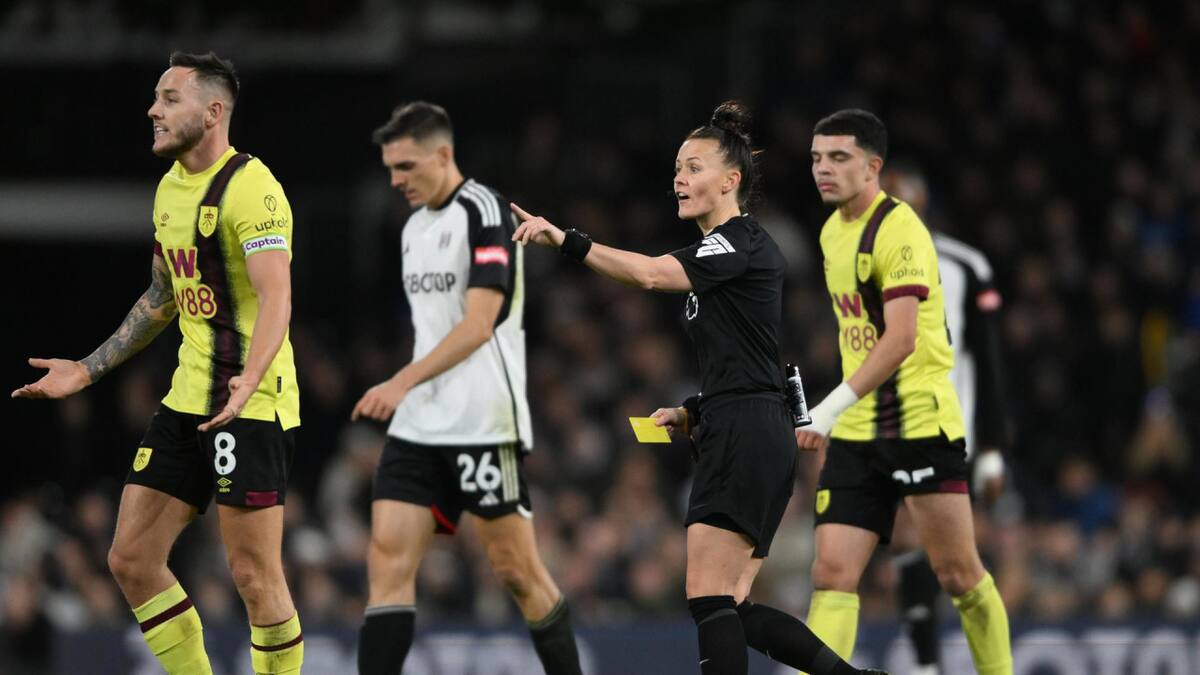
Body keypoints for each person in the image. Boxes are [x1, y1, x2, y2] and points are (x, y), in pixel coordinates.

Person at [512, 101, 885, 675]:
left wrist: (566, 241)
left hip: (747, 431)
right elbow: (748, 357)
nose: (679, 179)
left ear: (730, 180)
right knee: (732, 602)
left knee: (708, 598)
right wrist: (692, 412)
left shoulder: (740, 242)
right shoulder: (724, 258)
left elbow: (648, 274)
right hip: (749, 424)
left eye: (693, 167)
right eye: (677, 168)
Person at [12, 51, 304, 673]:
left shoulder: (253, 188)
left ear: (213, 111)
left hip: (249, 407)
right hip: (186, 401)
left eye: (170, 98)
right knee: (131, 559)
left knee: (253, 576)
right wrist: (89, 368)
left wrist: (248, 382)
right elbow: (162, 295)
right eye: (156, 97)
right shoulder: (171, 187)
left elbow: (277, 296)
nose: (153, 109)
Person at [351, 101, 582, 675]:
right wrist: (410, 390)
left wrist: (400, 382)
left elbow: (480, 324)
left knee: (517, 574)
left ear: (443, 154)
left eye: (405, 167)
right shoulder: (412, 228)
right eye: (389, 170)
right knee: (387, 560)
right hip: (419, 422)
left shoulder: (485, 211)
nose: (396, 181)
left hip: (482, 421)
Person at [796, 109, 1011, 675]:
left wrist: (826, 410)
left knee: (960, 576)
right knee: (833, 575)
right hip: (858, 433)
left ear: (873, 167)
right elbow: (856, 332)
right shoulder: (829, 232)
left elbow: (901, 340)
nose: (824, 169)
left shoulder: (901, 230)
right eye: (817, 157)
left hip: (919, 426)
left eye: (838, 158)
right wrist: (841, 414)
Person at [879, 163, 1011, 675]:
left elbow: (990, 361)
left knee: (958, 562)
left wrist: (995, 447)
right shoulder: (862, 264)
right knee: (909, 540)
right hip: (889, 426)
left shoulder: (963, 265)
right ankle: (927, 663)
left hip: (954, 430)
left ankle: (985, 662)